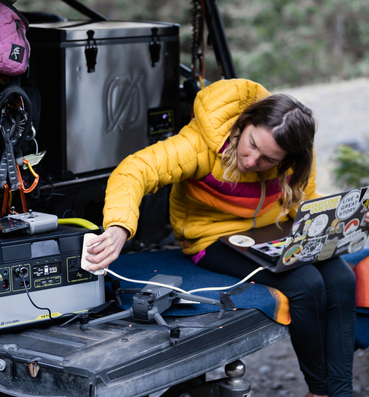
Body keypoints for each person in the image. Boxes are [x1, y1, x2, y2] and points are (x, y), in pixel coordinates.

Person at [83, 78, 357, 397]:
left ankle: (340, 393)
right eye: (252, 145)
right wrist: (119, 226)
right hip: (212, 238)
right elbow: (135, 170)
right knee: (306, 283)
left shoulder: (294, 158)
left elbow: (300, 199)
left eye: (269, 159)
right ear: (245, 122)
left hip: (270, 231)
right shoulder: (200, 143)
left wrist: (333, 223)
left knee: (341, 278)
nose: (253, 161)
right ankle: (320, 390)